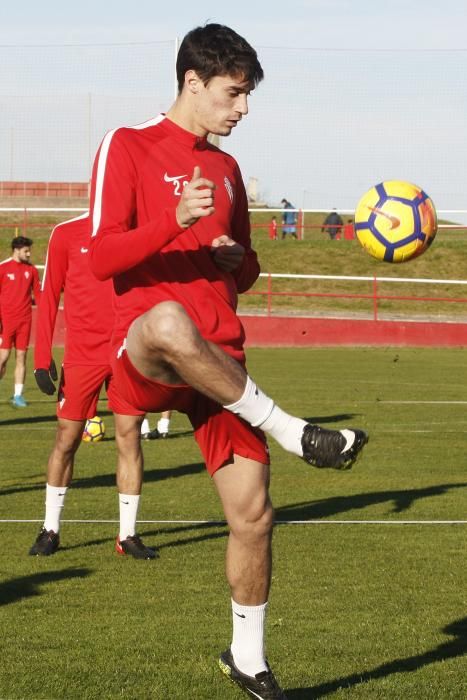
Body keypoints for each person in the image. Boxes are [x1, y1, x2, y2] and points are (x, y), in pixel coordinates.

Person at [88, 23, 367, 699]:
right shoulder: (126, 144)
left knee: (253, 516)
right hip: (150, 356)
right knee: (166, 319)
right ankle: (293, 430)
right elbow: (100, 257)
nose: (242, 108)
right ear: (192, 82)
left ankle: (247, 657)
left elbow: (242, 275)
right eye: (232, 93)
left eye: (246, 94)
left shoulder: (227, 168)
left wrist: (235, 261)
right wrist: (173, 220)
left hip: (220, 368)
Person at [31, 214, 156, 560]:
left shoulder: (137, 233)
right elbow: (48, 293)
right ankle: (50, 529)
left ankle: (127, 535)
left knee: (129, 437)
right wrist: (42, 357)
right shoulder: (66, 234)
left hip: (126, 353)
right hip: (82, 356)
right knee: (67, 439)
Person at [0, 236, 41, 407]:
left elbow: (38, 295)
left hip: (25, 321)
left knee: (21, 356)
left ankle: (17, 396)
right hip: (5, 321)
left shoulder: (31, 271)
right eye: (26, 251)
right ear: (16, 250)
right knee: (3, 358)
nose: (29, 254)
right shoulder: (3, 268)